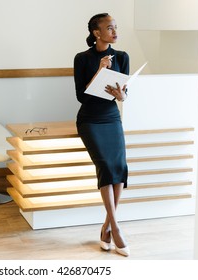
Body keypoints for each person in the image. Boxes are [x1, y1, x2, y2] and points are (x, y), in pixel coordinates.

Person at [73, 13, 130, 257]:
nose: (115, 31)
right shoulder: (82, 58)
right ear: (97, 33)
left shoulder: (123, 56)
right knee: (106, 166)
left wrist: (122, 97)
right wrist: (99, 70)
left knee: (119, 168)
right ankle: (116, 228)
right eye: (109, 28)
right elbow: (82, 96)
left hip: (112, 117)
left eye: (116, 27)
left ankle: (107, 226)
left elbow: (125, 92)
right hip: (90, 120)